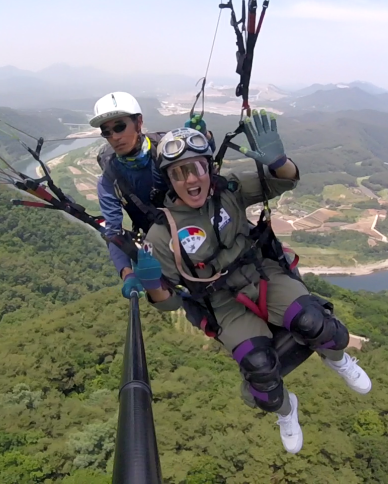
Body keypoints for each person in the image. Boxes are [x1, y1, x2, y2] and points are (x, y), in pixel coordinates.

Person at [128, 112, 372, 454]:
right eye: (178, 173)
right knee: (261, 373)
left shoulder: (228, 188)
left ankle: (338, 360)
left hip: (262, 275)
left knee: (316, 323)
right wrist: (153, 283)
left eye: (196, 168)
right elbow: (169, 303)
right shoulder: (162, 233)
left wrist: (280, 162)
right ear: (170, 180)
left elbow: (283, 181)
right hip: (225, 303)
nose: (190, 179)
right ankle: (288, 411)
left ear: (207, 168)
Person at [89, 91, 213, 299]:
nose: (115, 137)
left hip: (200, 226)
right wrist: (127, 273)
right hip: (163, 245)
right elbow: (114, 232)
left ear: (139, 123)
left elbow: (203, 161)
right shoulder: (110, 179)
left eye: (120, 127)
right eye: (107, 132)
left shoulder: (166, 149)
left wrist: (204, 136)